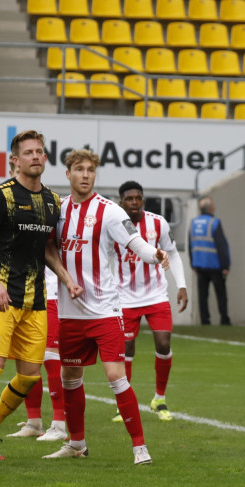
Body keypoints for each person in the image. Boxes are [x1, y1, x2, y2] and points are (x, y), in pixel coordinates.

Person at [43, 150, 168, 466]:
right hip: (70, 313)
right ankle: (76, 444)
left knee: (115, 375)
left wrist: (155, 255)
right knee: (70, 376)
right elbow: (45, 249)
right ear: (68, 174)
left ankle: (140, 448)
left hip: (105, 311)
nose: (85, 174)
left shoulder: (110, 211)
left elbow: (136, 242)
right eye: (79, 169)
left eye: (90, 170)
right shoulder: (56, 210)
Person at [0, 130, 80, 466]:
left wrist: (67, 279)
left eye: (39, 151)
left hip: (35, 301)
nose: (35, 156)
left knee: (29, 376)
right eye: (28, 152)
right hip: (0, 299)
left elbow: (48, 248)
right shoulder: (1, 195)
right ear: (15, 160)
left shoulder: (52, 201)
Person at [116, 180, 188, 421]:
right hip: (125, 298)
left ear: (143, 200)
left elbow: (173, 254)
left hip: (156, 294)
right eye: (129, 199)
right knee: (126, 348)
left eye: (138, 198)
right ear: (121, 202)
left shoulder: (158, 223)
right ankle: (123, 405)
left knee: (163, 343)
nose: (134, 202)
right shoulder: (114, 224)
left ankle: (159, 398)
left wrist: (182, 285)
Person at [5, 266, 68, 441]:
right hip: (26, 296)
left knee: (51, 355)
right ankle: (33, 423)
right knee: (27, 357)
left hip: (53, 294)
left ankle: (59, 425)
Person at [190, 195, 231, 325]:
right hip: (214, 264)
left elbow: (190, 244)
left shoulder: (193, 222)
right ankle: (224, 319)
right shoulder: (214, 223)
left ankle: (205, 320)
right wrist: (225, 266)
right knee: (221, 293)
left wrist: (193, 264)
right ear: (210, 208)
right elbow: (221, 245)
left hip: (199, 264)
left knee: (202, 294)